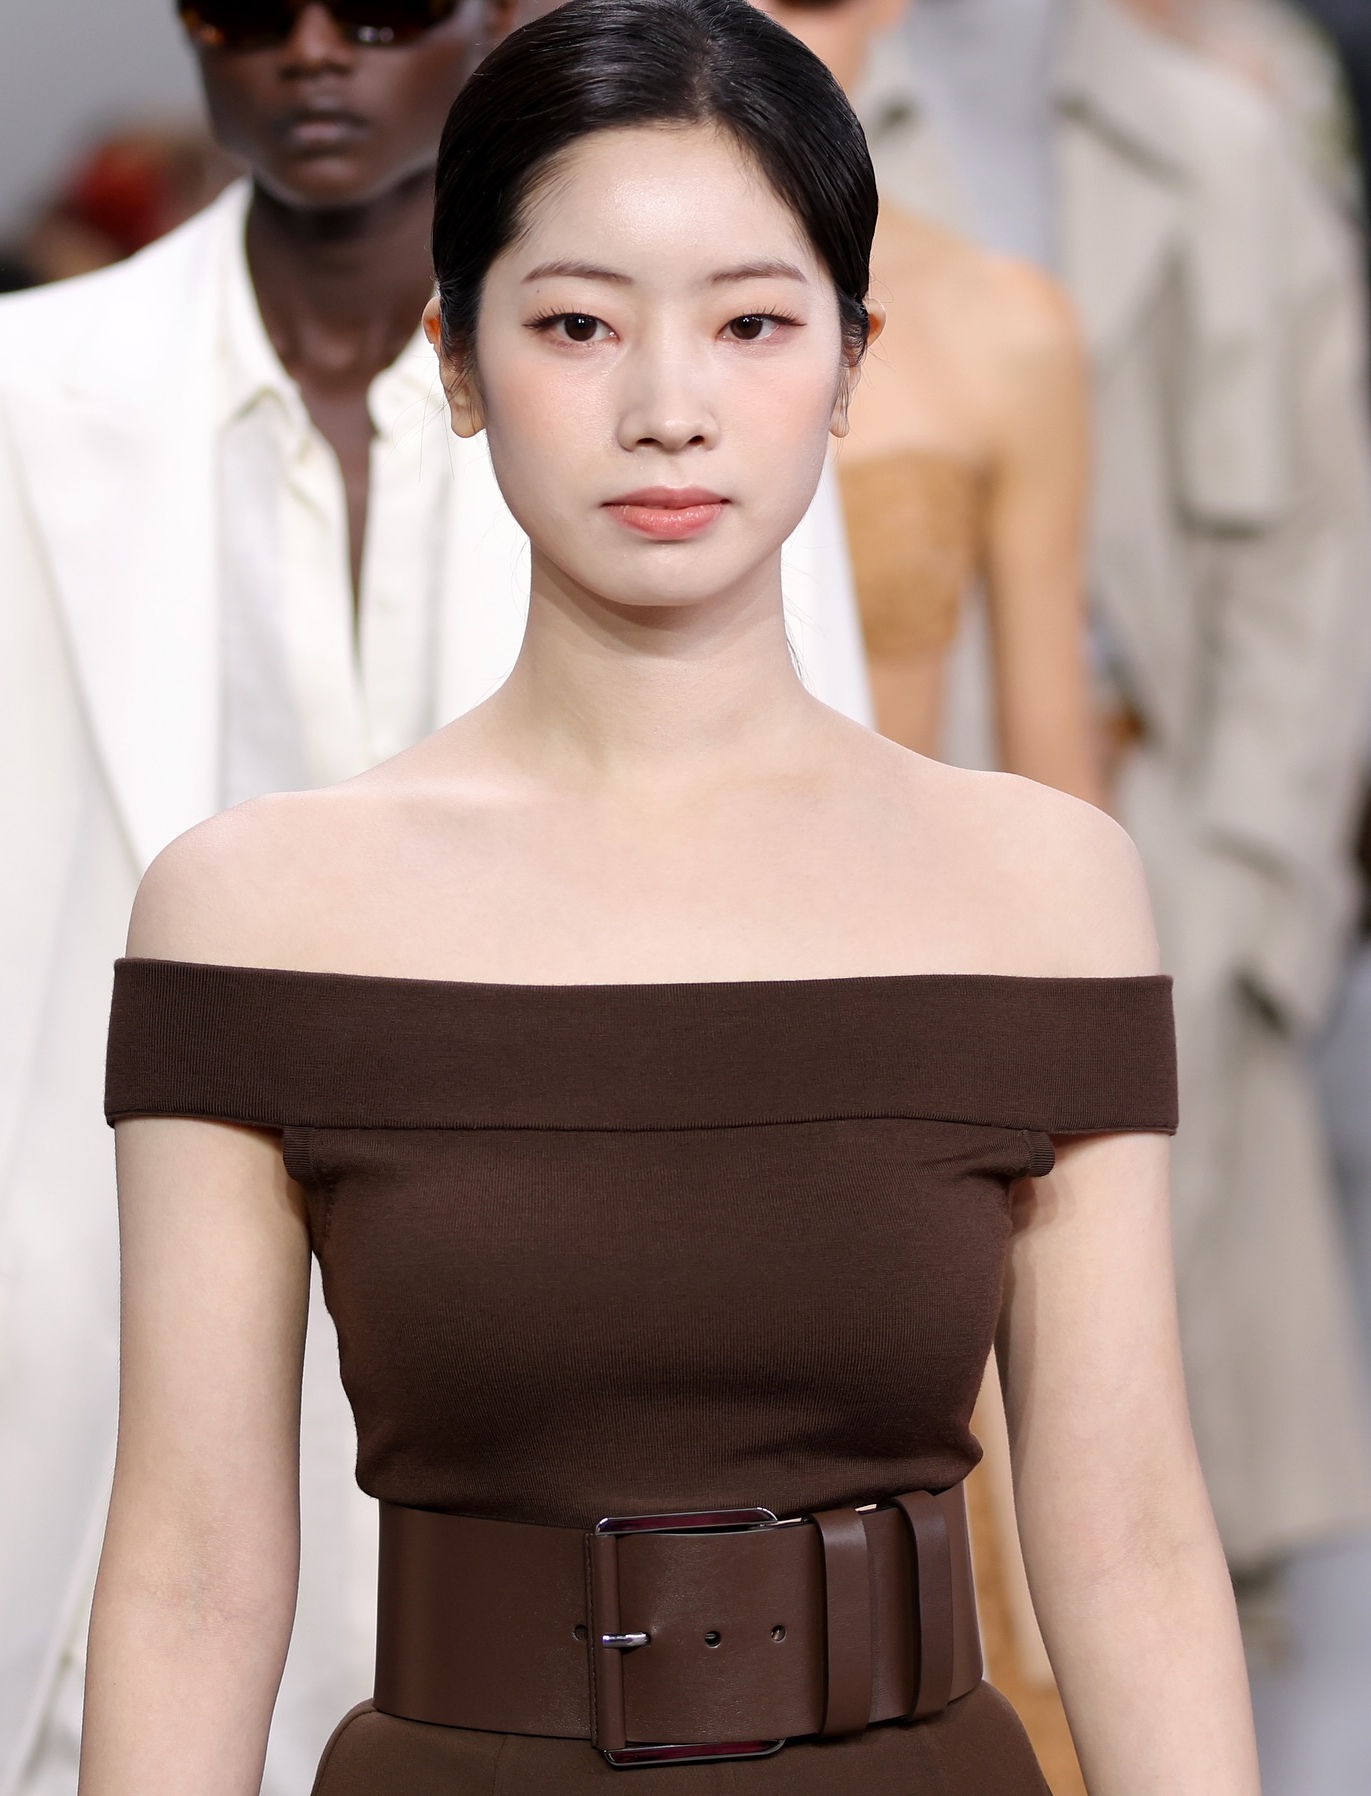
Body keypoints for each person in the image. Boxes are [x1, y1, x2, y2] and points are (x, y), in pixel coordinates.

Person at [86, 2, 1258, 1791]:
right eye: (577, 324)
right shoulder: (254, 909)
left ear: (851, 363)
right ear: (456, 363)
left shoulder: (1040, 887)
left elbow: (1134, 1544)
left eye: (752, 323)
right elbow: (188, 1576)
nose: (668, 411)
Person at [0, 5, 871, 1793]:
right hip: (51, 1402)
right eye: (253, 9)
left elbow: (814, 891)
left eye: (380, 7)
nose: (315, 55)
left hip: (507, 1425)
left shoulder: (687, 433)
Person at [863, 0, 1371, 1583]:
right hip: (888, 847)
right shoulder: (777, 116)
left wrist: (1254, 884)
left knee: (1179, 1489)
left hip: (1170, 832)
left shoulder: (1221, 140)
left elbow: (1318, 537)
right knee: (925, 1465)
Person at [761, 0, 1102, 805]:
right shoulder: (529, 325)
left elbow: (1053, 778)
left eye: (805, 0)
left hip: (893, 875)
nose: (744, 29)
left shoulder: (1003, 327)